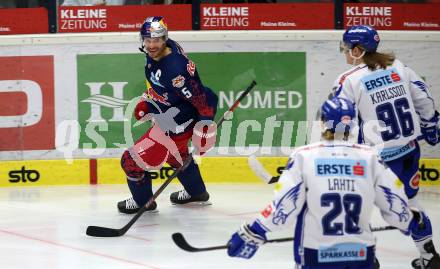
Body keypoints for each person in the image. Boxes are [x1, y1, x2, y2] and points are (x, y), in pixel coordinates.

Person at [227, 97, 439, 269]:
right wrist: (412, 221)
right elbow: (395, 206)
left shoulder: (304, 156)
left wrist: (255, 230)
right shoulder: (371, 157)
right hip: (361, 254)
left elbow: (284, 208)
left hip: (316, 254)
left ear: (322, 123)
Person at [332, 25, 440, 269]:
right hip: (409, 151)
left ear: (358, 51)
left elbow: (339, 123)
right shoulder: (398, 66)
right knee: (412, 204)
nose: (345, 53)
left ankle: (367, 260)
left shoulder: (348, 80)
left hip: (375, 161)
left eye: (346, 49)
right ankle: (429, 256)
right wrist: (431, 124)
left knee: (356, 210)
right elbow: (423, 98)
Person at [117, 16, 218, 214]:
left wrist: (205, 128)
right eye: (148, 39)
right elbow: (167, 89)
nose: (152, 45)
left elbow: (203, 99)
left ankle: (143, 201)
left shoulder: (174, 71)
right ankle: (196, 192)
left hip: (175, 125)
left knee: (130, 161)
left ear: (165, 39)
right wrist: (150, 102)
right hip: (172, 117)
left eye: (157, 40)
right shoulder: (166, 48)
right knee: (177, 156)